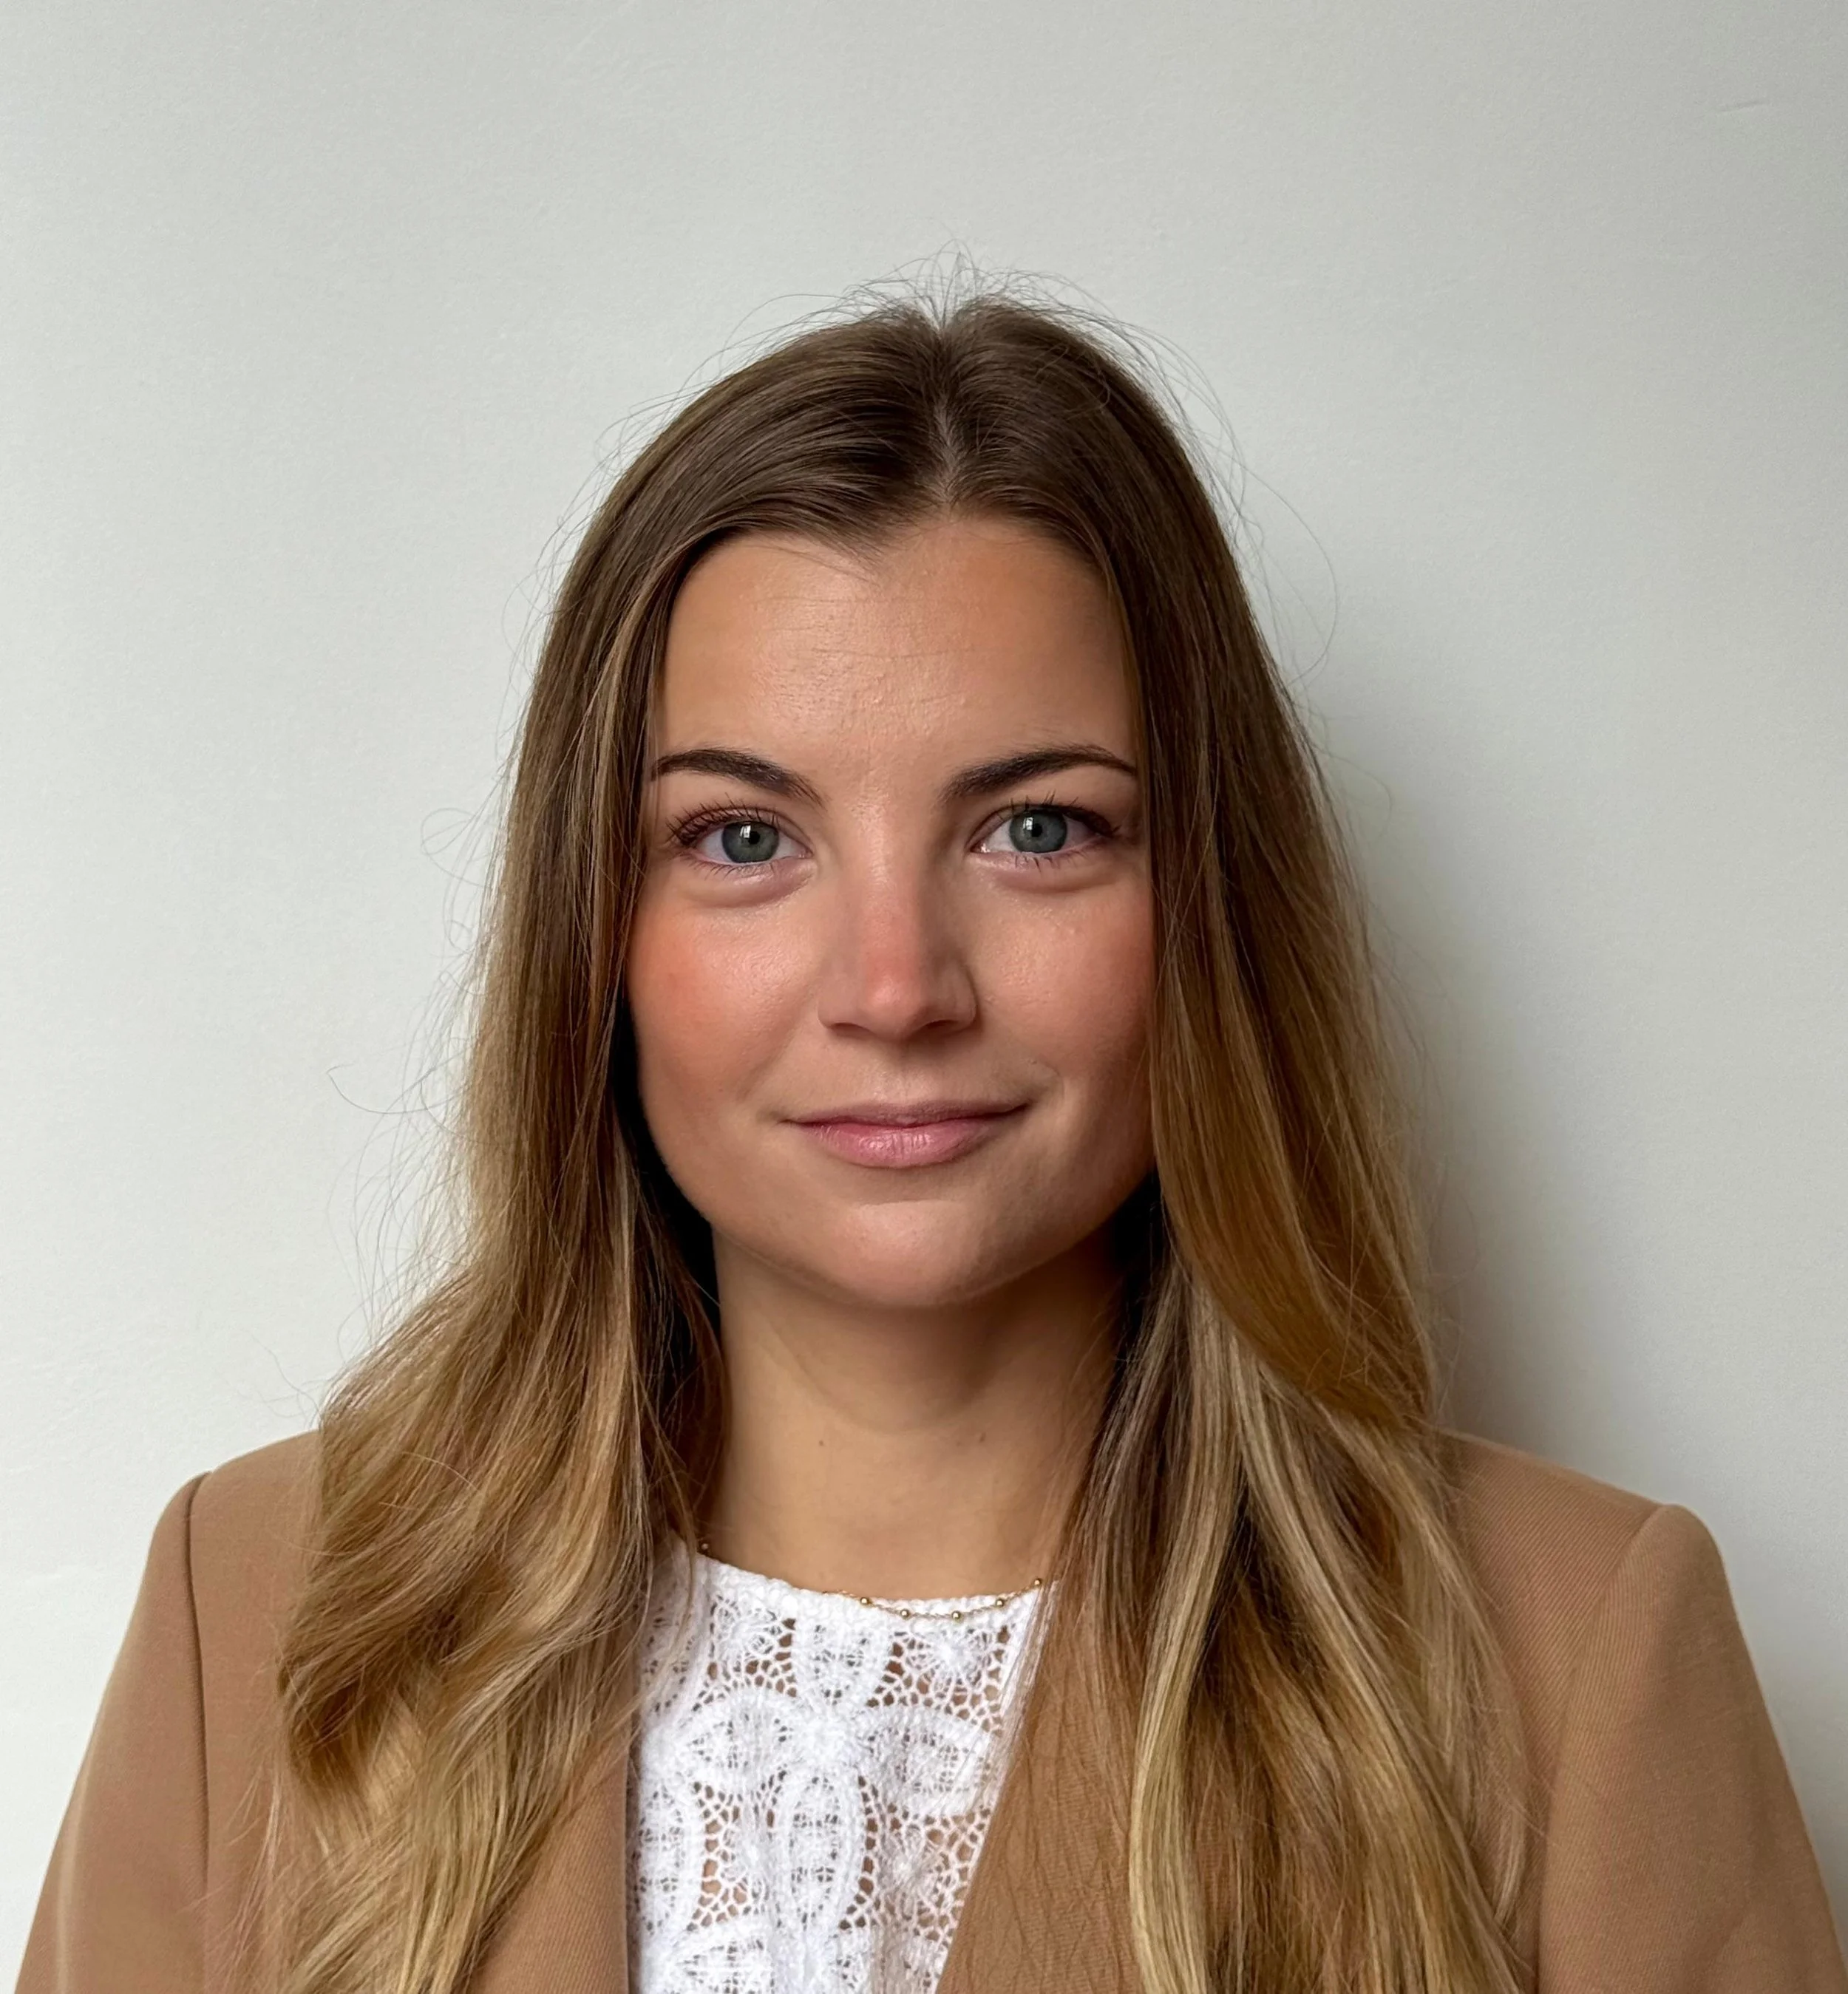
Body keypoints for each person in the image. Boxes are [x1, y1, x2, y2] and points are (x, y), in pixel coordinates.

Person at [17, 293, 1845, 1994]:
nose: (894, 986)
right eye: (744, 839)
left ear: (1207, 909)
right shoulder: (261, 1607)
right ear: (599, 936)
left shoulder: (1568, 1659)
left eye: (1036, 828)